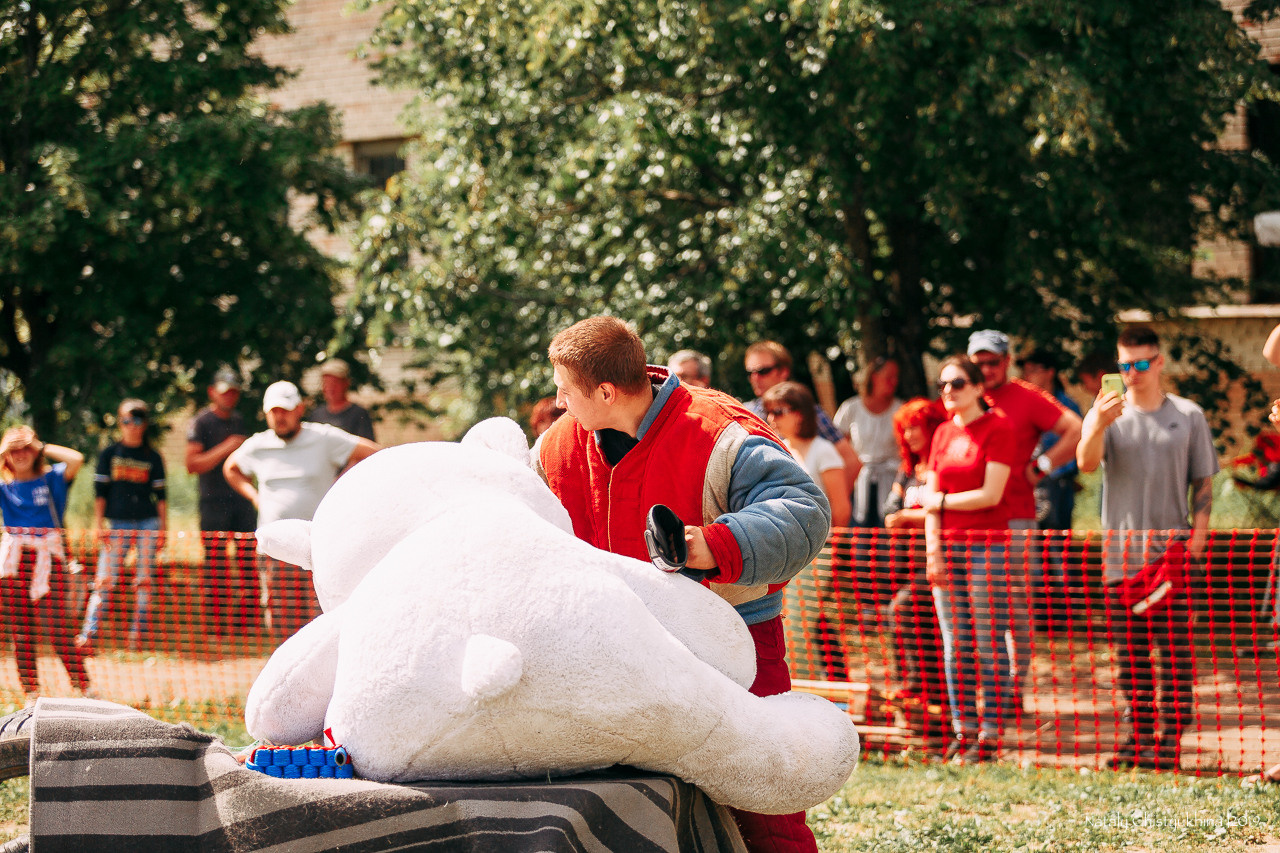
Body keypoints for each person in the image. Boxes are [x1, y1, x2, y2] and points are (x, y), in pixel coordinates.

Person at [535, 317, 831, 853]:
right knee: (629, 803)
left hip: (735, 644)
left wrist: (709, 546)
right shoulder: (554, 448)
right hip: (613, 652)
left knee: (763, 805)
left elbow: (805, 513)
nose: (557, 400)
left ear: (605, 391)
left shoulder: (721, 430)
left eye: (565, 389)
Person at [1076, 324, 1217, 770]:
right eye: (1124, 365)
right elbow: (1085, 462)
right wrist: (1096, 421)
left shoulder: (1188, 415)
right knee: (1130, 656)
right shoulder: (1105, 416)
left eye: (1140, 364)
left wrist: (1199, 535)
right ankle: (1138, 737)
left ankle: (1169, 742)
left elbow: (1204, 482)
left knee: (1175, 654)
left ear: (1158, 363)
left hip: (1172, 558)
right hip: (1120, 560)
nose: (1132, 373)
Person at [967, 329, 1081, 693]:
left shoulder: (1025, 396)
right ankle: (988, 684)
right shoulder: (960, 393)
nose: (986, 369)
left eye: (993, 362)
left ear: (1007, 361)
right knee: (978, 603)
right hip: (969, 515)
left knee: (1016, 598)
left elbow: (1074, 429)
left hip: (1015, 510)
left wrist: (1041, 466)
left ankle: (1017, 682)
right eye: (979, 363)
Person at [225, 380, 382, 634]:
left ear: (299, 409)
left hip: (319, 546)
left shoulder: (323, 437)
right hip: (276, 550)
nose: (279, 417)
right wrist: (255, 497)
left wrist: (343, 484)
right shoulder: (258, 445)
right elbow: (231, 468)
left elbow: (373, 452)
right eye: (273, 411)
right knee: (280, 618)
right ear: (266, 414)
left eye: (285, 410)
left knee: (320, 616)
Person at [922, 356, 1018, 763]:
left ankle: (991, 734)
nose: (948, 390)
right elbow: (929, 501)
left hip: (987, 547)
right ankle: (964, 731)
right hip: (947, 546)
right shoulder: (942, 432)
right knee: (955, 644)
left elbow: (991, 495)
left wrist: (940, 502)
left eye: (958, 383)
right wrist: (933, 551)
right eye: (943, 384)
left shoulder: (1000, 427)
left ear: (979, 387)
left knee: (988, 641)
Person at [762, 381, 853, 682]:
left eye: (780, 411)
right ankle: (811, 690)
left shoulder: (823, 450)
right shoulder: (782, 449)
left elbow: (840, 510)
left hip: (818, 553)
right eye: (769, 411)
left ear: (800, 413)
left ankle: (811, 693)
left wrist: (831, 554)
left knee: (799, 626)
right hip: (788, 554)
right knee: (793, 625)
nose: (772, 418)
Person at [0, 426, 91, 702]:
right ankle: (31, 693)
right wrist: (3, 449)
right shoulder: (5, 486)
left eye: (25, 448)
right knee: (21, 629)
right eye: (13, 450)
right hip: (15, 564)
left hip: (47, 559)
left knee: (57, 628)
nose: (20, 454)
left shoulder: (52, 478)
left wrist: (39, 444)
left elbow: (76, 459)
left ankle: (84, 688)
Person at [76, 400, 167, 653]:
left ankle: (137, 636)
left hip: (148, 523)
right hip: (116, 523)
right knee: (105, 579)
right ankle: (88, 634)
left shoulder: (153, 456)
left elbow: (161, 497)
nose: (132, 426)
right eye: (127, 420)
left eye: (137, 420)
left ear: (144, 424)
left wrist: (163, 530)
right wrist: (99, 524)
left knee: (144, 580)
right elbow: (100, 493)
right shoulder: (109, 454)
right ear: (120, 422)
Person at [882, 397, 950, 732]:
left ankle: (930, 688)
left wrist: (909, 516)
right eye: (904, 429)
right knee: (913, 622)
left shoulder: (945, 465)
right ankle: (919, 689)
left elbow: (946, 510)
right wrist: (906, 516)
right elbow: (889, 511)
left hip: (943, 561)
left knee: (904, 611)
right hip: (909, 564)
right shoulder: (907, 470)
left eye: (916, 427)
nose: (910, 435)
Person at [186, 367, 257, 636]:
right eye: (225, 392)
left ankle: (247, 622)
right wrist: (228, 447)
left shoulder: (239, 420)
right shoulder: (200, 423)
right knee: (216, 564)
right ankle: (216, 624)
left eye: (235, 392)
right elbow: (192, 463)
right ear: (212, 392)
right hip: (212, 502)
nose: (230, 397)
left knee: (247, 561)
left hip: (241, 501)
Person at [1018, 348, 1083, 625]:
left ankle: (1062, 611)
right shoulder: (1024, 401)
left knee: (1055, 544)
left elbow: (1076, 448)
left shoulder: (1066, 406)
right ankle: (1040, 611)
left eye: (1033, 369)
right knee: (1029, 547)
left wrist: (1050, 469)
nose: (1026, 375)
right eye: (1025, 369)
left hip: (1056, 485)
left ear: (1049, 372)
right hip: (1027, 485)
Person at [743, 340, 859, 490]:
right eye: (750, 373)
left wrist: (829, 506)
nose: (755, 378)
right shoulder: (746, 413)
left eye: (763, 371)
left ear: (784, 372)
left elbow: (851, 461)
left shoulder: (807, 411)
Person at [834, 356, 905, 527]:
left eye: (896, 377)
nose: (894, 382)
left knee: (886, 532)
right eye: (889, 377)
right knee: (860, 532)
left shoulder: (900, 408)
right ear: (874, 376)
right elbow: (836, 446)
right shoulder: (851, 408)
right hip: (860, 481)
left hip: (891, 481)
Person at [306, 358, 376, 441]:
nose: (330, 388)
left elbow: (368, 449)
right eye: (326, 383)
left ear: (346, 383)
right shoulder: (316, 415)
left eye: (334, 383)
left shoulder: (358, 414)